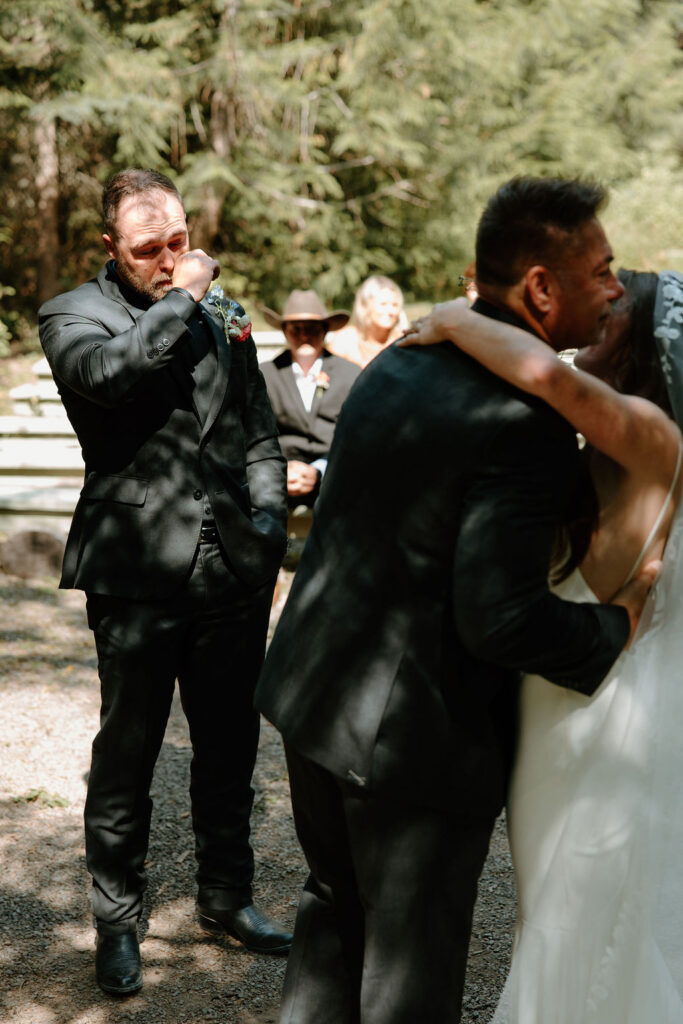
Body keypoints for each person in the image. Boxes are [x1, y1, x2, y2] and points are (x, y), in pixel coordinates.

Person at [254, 177, 654, 1024]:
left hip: (312, 690)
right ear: (540, 289)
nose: (616, 286)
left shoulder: (404, 355)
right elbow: (498, 616)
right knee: (409, 974)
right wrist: (612, 626)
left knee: (330, 919)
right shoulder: (524, 423)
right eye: (603, 269)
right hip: (411, 743)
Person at [401, 268, 683, 1021]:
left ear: (642, 348)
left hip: (604, 715)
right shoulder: (585, 438)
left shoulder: (655, 437)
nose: (591, 318)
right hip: (550, 706)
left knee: (577, 916)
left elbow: (540, 372)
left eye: (609, 311)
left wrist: (456, 321)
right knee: (548, 907)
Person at [38, 169, 292, 997]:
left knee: (230, 745)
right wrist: (182, 298)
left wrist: (265, 526)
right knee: (128, 754)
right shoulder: (75, 313)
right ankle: (118, 923)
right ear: (111, 247)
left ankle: (227, 896)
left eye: (179, 240)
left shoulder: (224, 312)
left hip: (233, 570)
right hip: (137, 569)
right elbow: (108, 375)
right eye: (149, 247)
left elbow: (256, 429)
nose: (171, 257)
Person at [261, 290, 360, 507]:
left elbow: (357, 437)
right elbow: (256, 435)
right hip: (277, 481)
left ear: (325, 331)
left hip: (337, 479)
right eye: (296, 329)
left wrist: (321, 471)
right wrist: (281, 470)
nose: (304, 335)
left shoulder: (350, 374)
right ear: (285, 332)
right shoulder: (264, 375)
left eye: (313, 329)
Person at [326, 275, 407, 367]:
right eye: (383, 304)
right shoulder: (345, 339)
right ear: (365, 306)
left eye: (394, 305)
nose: (390, 311)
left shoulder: (402, 342)